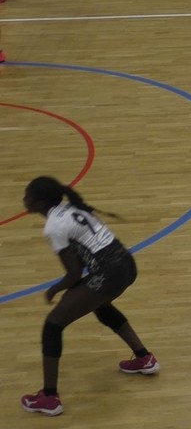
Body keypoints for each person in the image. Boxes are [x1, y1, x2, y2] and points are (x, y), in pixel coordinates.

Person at [19, 177, 159, 417]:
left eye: (27, 196)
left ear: (39, 203)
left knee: (53, 325)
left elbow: (73, 274)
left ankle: (49, 398)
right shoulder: (71, 208)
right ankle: (143, 358)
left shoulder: (53, 227)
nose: (24, 200)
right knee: (100, 305)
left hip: (110, 272)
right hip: (126, 264)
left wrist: (54, 289)